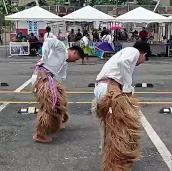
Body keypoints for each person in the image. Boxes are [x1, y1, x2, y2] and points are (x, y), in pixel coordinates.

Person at [91, 41, 149, 171]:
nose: (142, 62)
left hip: (103, 88)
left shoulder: (122, 53)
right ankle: (115, 164)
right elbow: (123, 63)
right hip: (110, 89)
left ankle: (110, 155)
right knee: (119, 129)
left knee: (110, 126)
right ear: (144, 54)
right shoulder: (133, 52)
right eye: (145, 58)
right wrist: (128, 87)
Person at [31, 37, 84, 143]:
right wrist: (44, 59)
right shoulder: (61, 49)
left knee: (59, 102)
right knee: (49, 107)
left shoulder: (64, 63)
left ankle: (59, 121)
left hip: (49, 80)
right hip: (42, 78)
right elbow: (49, 41)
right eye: (76, 58)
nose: (75, 61)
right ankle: (40, 134)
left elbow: (60, 78)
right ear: (74, 52)